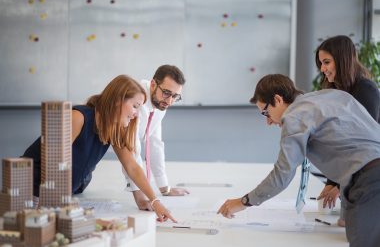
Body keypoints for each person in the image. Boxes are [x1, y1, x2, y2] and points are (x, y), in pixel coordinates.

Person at [218, 74, 380, 247]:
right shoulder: (333, 96)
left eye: (266, 112)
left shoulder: (294, 117)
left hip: (370, 181)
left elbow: (282, 174)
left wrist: (244, 202)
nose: (268, 121)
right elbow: (358, 149)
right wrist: (347, 215)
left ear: (278, 100)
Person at [23, 75, 176, 222]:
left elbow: (132, 166)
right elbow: (52, 165)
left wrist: (155, 201)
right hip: (33, 191)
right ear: (118, 100)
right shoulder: (78, 117)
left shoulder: (113, 127)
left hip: (62, 193)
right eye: (135, 106)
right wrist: (47, 209)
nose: (136, 114)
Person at [315, 35, 380, 225]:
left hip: (370, 172)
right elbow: (338, 142)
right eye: (321, 63)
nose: (323, 69)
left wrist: (338, 183)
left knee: (349, 226)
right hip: (355, 173)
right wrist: (331, 182)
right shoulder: (338, 91)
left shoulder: (365, 90)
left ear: (343, 60)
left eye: (327, 62)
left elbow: (360, 145)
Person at [123, 65, 190, 211]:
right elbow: (130, 150)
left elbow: (155, 144)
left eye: (175, 96)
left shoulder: (160, 103)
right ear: (153, 84)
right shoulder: (135, 101)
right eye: (166, 93)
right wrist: (141, 198)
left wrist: (164, 187)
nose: (170, 101)